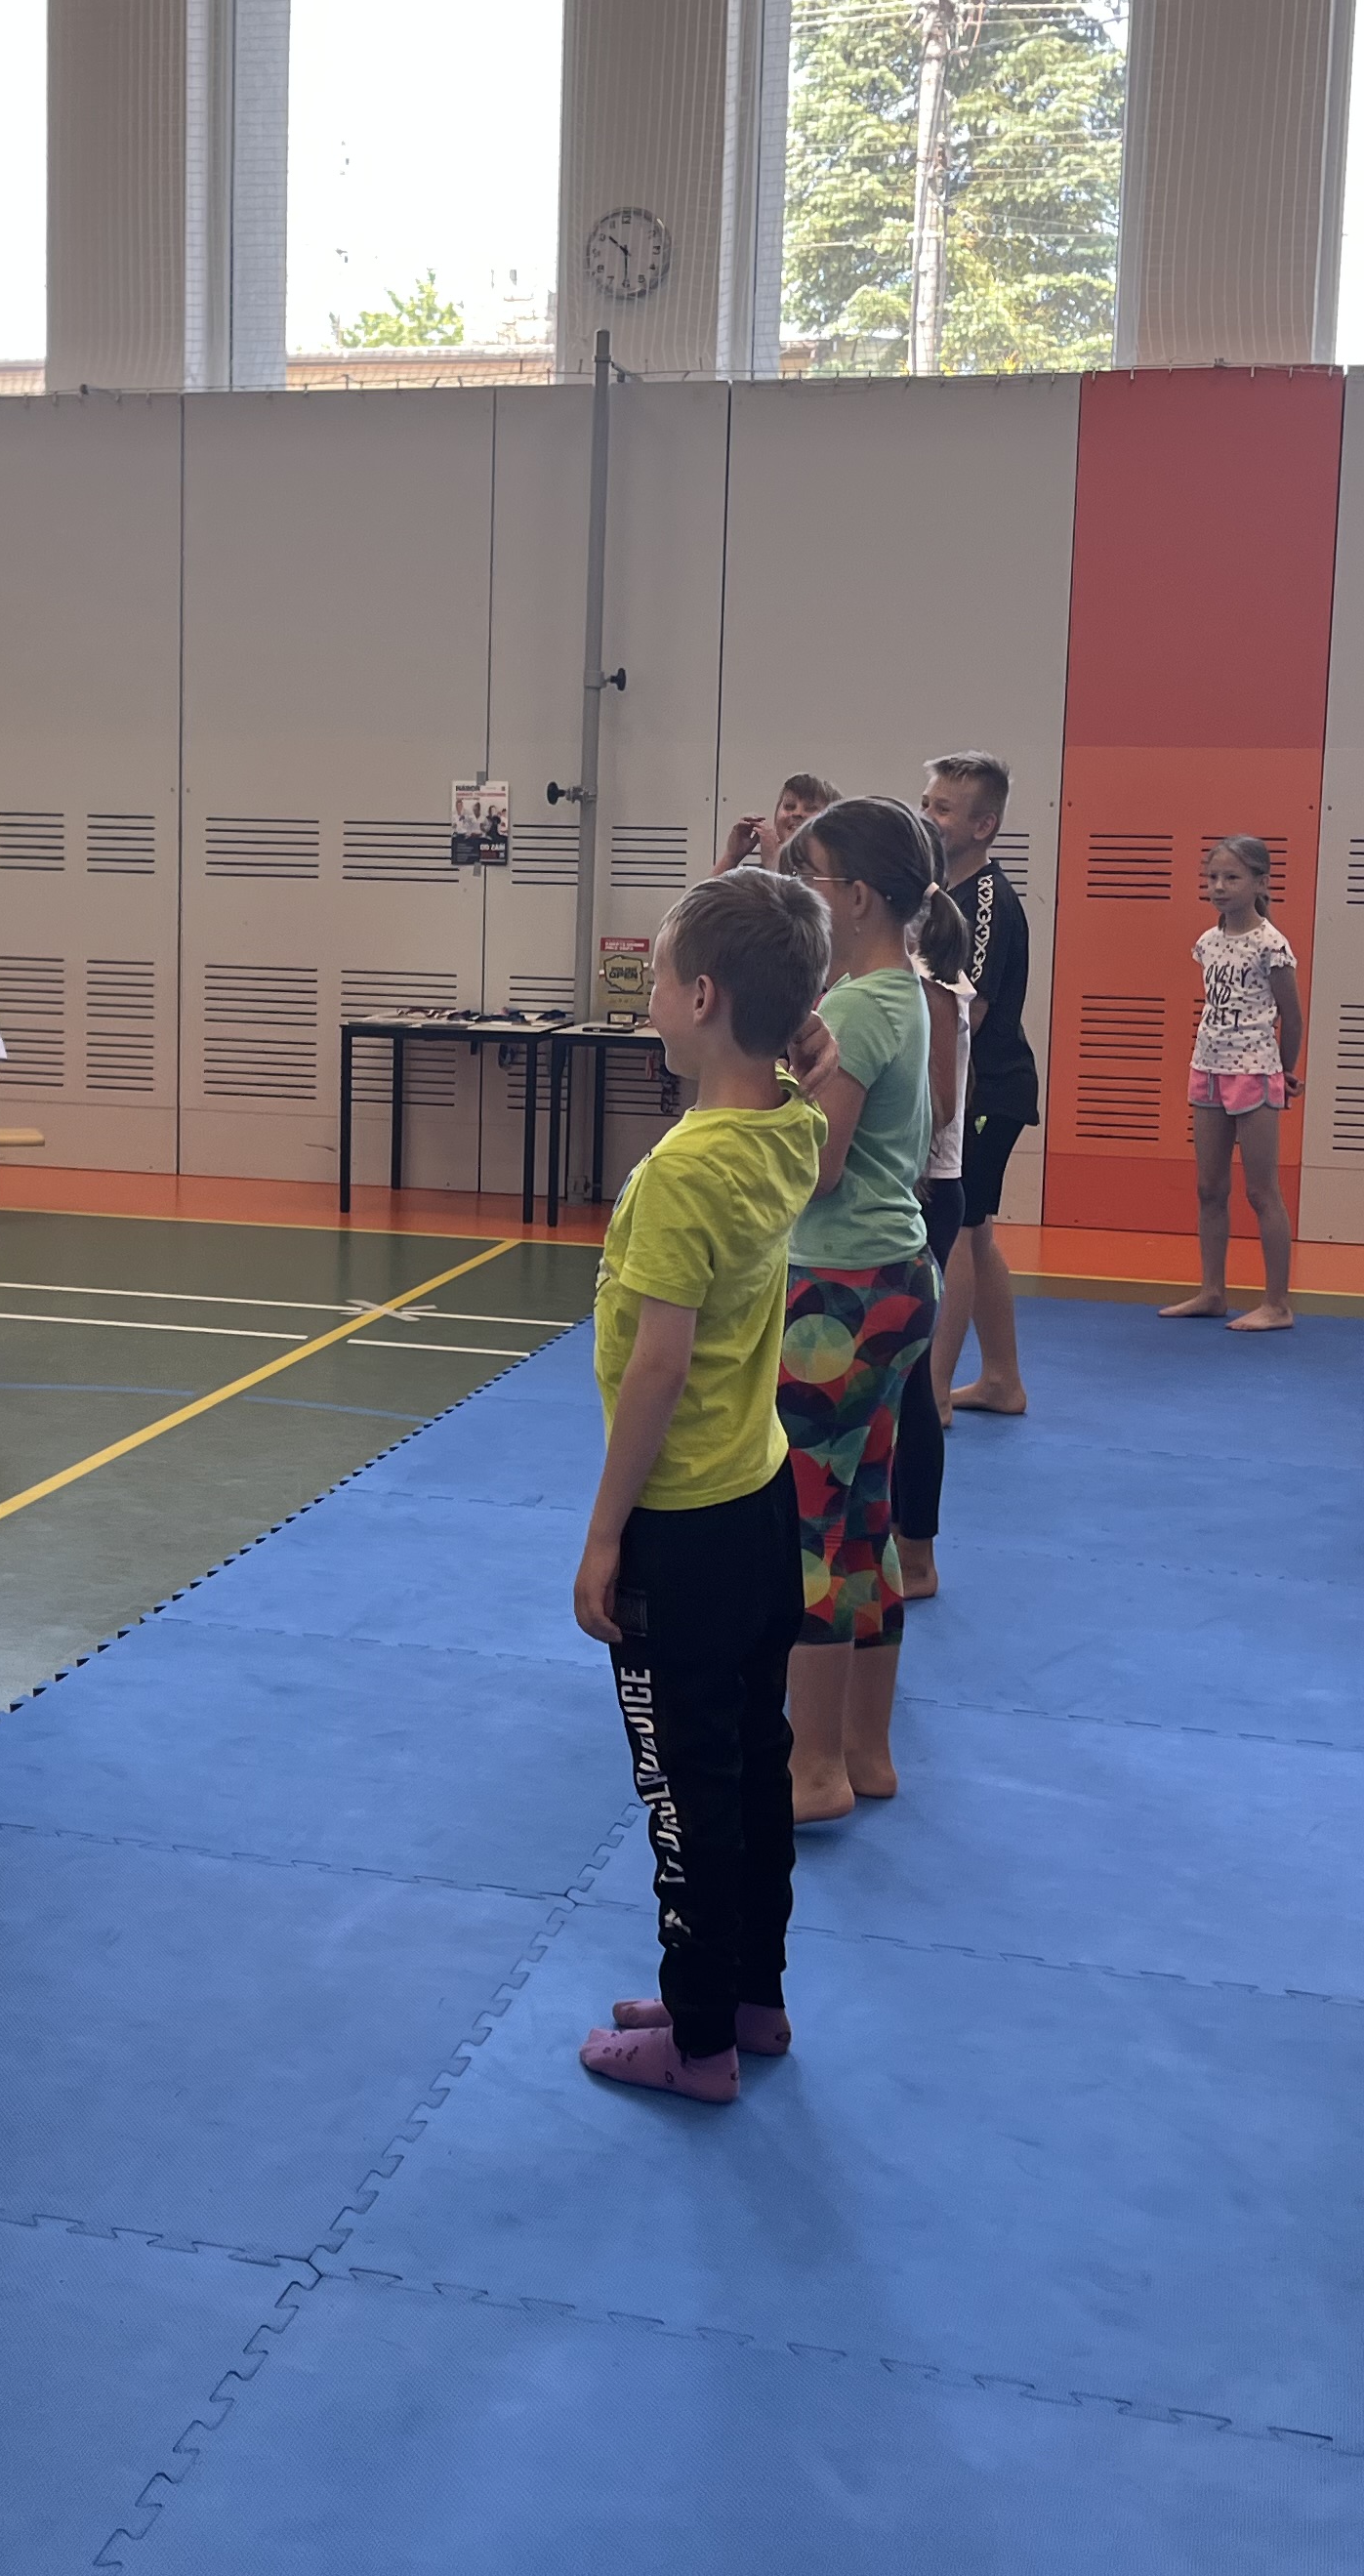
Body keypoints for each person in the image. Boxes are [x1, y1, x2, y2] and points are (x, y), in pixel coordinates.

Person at [571, 867, 835, 2105]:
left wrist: (602, 1535)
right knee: (752, 1759)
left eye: (662, 978)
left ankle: (697, 2039)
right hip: (762, 1501)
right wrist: (800, 1044)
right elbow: (804, 1082)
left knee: (685, 1784)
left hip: (682, 1523)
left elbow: (659, 1366)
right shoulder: (790, 1127)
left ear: (704, 996)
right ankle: (749, 1995)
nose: (649, 998)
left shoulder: (684, 1171)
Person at [777, 797, 946, 1822]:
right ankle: (863, 1750)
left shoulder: (858, 1010)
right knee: (861, 1520)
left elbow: (820, 1165)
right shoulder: (898, 993)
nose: (805, 893)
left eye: (815, 878)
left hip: (838, 1288)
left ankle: (812, 1769)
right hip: (894, 1275)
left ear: (859, 898)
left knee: (810, 1527)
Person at [921, 751, 1041, 1418]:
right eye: (927, 801)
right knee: (979, 1231)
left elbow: (972, 1012)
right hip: (963, 1086)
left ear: (982, 825)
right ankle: (1001, 1379)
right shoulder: (938, 895)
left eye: (942, 808)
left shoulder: (988, 900)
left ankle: (934, 1388)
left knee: (960, 1232)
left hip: (987, 1090)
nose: (928, 815)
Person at [1164, 834, 1302, 1334]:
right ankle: (1213, 1291)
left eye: (1232, 878)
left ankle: (1277, 1303)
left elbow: (1291, 1015)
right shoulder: (1208, 942)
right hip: (1208, 1067)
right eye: (1213, 878)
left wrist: (1285, 1071)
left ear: (1261, 883)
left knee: (1262, 1190)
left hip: (1255, 1070)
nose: (1219, 887)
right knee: (1209, 1187)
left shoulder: (1271, 944)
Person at [892, 887, 974, 1601]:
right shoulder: (901, 990)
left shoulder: (935, 995)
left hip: (925, 1189)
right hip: (905, 1187)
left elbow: (941, 1103)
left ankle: (917, 1554)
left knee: (912, 1378)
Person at [719, 770, 839, 876]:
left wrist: (774, 863)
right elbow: (707, 895)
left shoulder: (837, 873)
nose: (797, 813)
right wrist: (731, 857)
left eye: (810, 808)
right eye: (789, 806)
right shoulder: (754, 874)